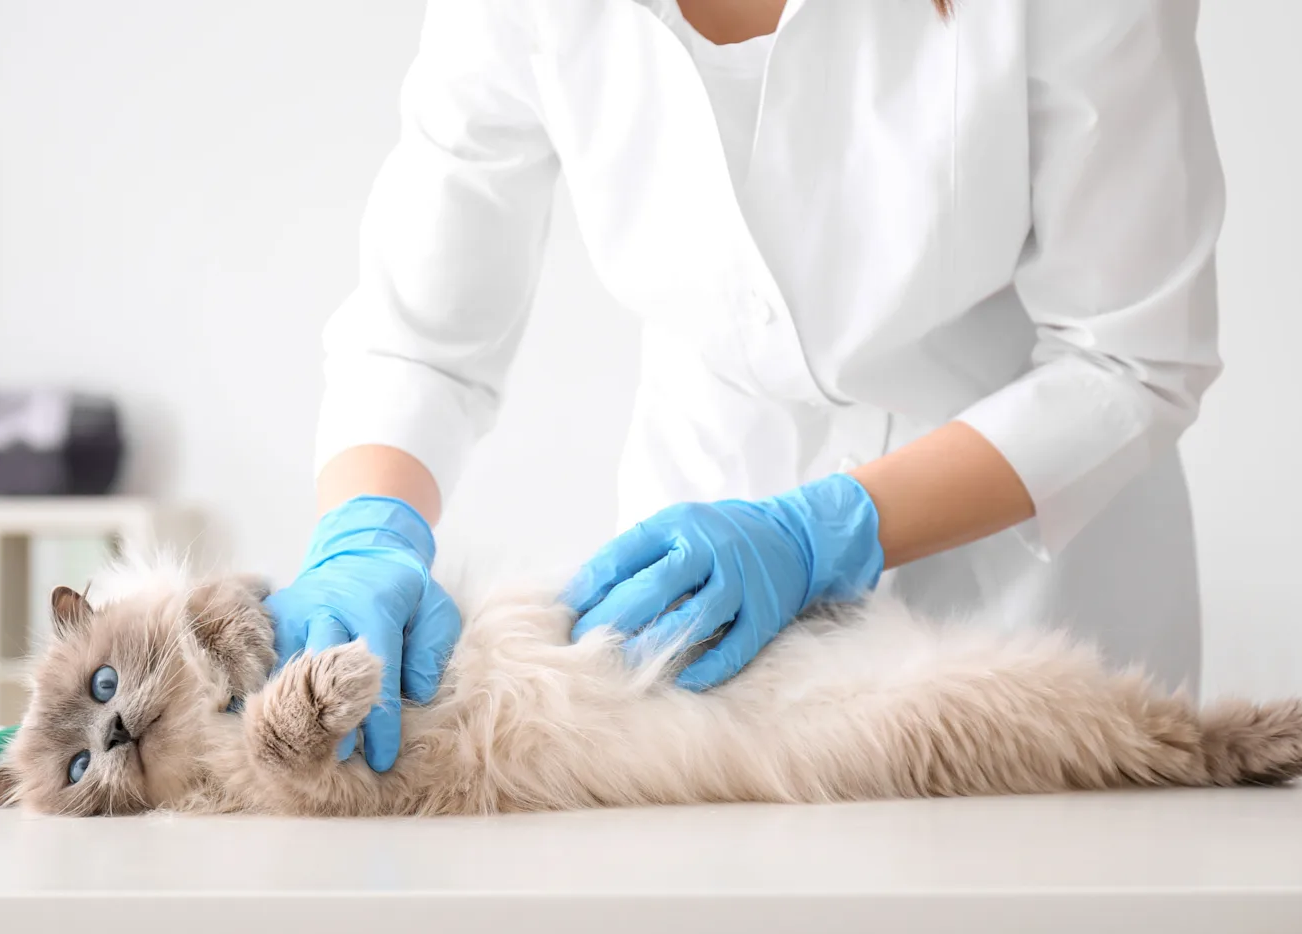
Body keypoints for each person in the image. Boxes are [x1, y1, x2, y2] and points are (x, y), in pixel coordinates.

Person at [266, 0, 1224, 772]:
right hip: (696, 615)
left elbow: (1129, 354)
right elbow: (419, 336)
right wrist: (366, 533)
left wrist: (821, 534)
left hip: (1028, 597)